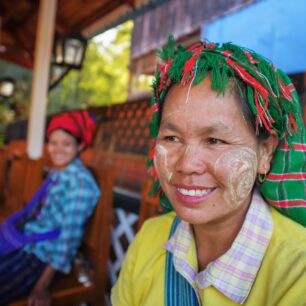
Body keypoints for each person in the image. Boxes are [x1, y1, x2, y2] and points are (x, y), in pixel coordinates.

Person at [111, 37, 306, 305]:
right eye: (171, 138)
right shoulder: (149, 237)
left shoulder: (298, 272)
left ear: (265, 153)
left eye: (215, 141)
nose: (186, 165)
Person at [0, 110, 100, 305]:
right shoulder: (58, 172)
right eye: (53, 143)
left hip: (40, 256)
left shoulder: (80, 184)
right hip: (29, 241)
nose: (58, 149)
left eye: (66, 144)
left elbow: (67, 239)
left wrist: (41, 286)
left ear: (79, 146)